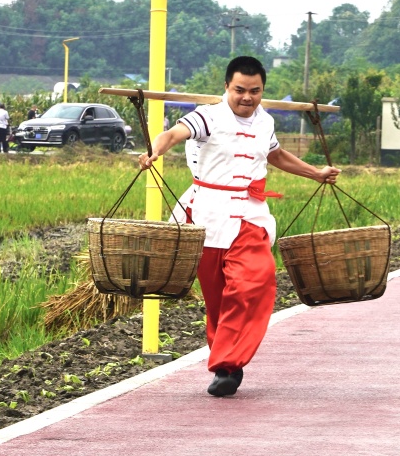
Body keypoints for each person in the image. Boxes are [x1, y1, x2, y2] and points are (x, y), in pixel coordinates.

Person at [139, 56, 340, 397]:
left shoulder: (265, 121)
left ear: (263, 90)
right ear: (227, 87)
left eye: (255, 91)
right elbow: (173, 134)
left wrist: (316, 172)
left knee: (255, 281)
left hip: (249, 214)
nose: (247, 97)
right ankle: (226, 368)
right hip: (206, 216)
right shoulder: (207, 116)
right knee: (217, 298)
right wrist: (154, 151)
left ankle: (229, 361)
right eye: (240, 90)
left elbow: (276, 155)